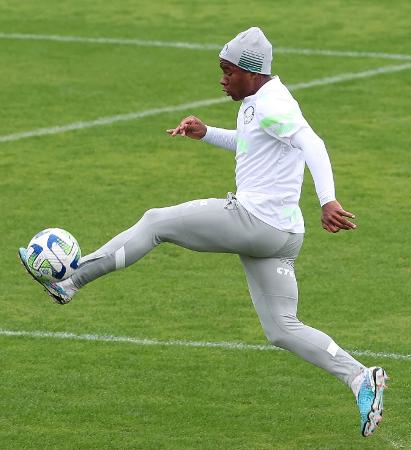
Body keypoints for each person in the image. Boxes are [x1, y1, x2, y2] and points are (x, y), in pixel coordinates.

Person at [19, 27, 387, 437]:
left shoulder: (273, 104)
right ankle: (360, 378)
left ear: (251, 71)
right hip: (283, 237)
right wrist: (205, 132)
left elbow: (312, 142)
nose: (222, 79)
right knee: (282, 328)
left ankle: (70, 281)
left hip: (254, 222)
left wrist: (328, 200)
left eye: (228, 71)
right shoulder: (257, 102)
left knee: (156, 221)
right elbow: (253, 143)